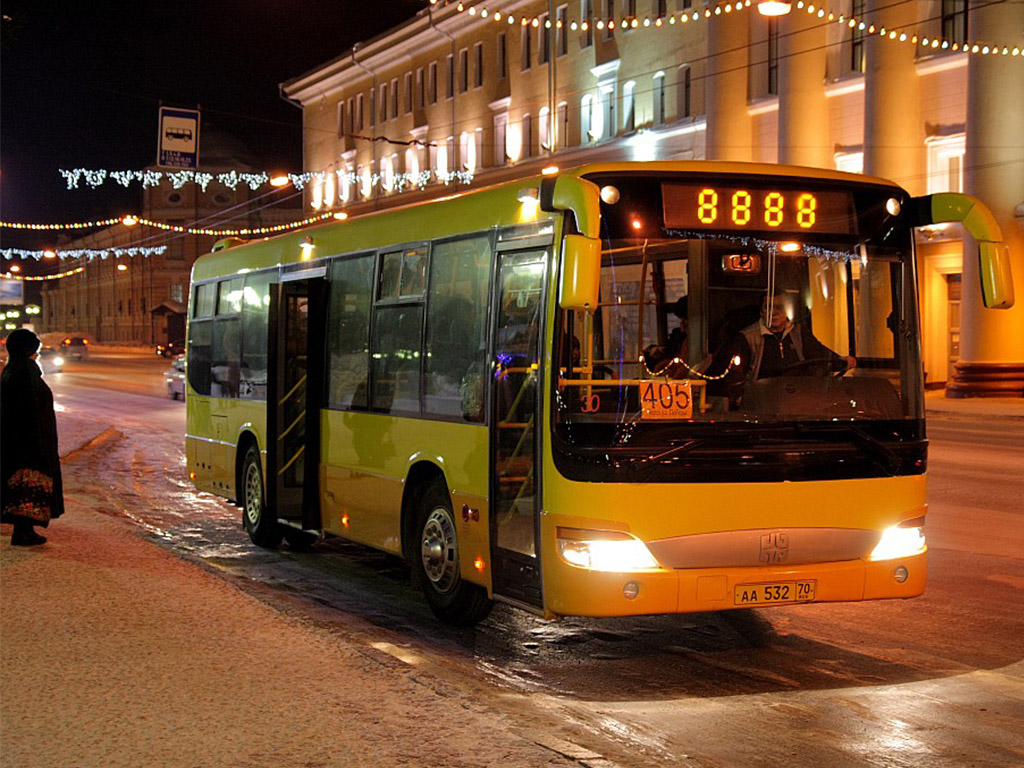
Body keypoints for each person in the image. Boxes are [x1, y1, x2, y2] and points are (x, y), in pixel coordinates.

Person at [714, 290, 856, 404]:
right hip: (762, 404)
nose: (774, 312)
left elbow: (821, 356)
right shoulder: (747, 338)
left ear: (787, 310)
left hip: (800, 402)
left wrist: (842, 361)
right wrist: (743, 400)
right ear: (761, 311)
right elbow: (735, 379)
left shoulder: (799, 333)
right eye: (768, 307)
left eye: (779, 307)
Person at [1, 329, 65, 546]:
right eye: (34, 351)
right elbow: (29, 410)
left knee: (23, 486)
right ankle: (22, 532)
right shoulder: (25, 374)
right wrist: (38, 441)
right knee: (28, 485)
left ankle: (24, 529)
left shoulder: (13, 370)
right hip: (30, 440)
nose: (37, 355)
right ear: (26, 350)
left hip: (20, 439)